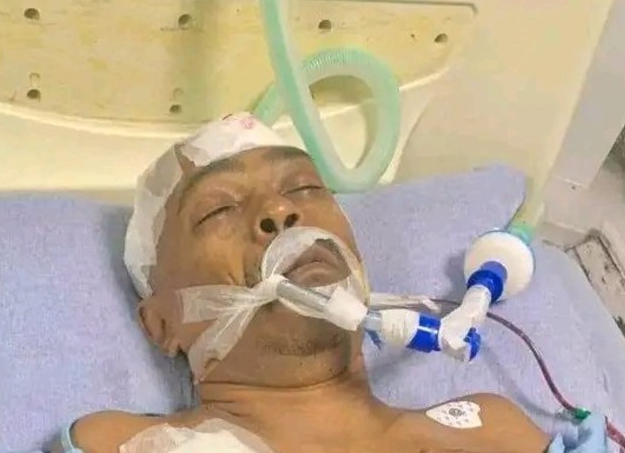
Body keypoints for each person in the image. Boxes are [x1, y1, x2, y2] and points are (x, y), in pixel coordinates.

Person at [57, 112, 591, 453]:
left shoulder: (494, 430)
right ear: (162, 324)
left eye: (306, 188)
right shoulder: (123, 444)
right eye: (218, 209)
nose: (280, 210)